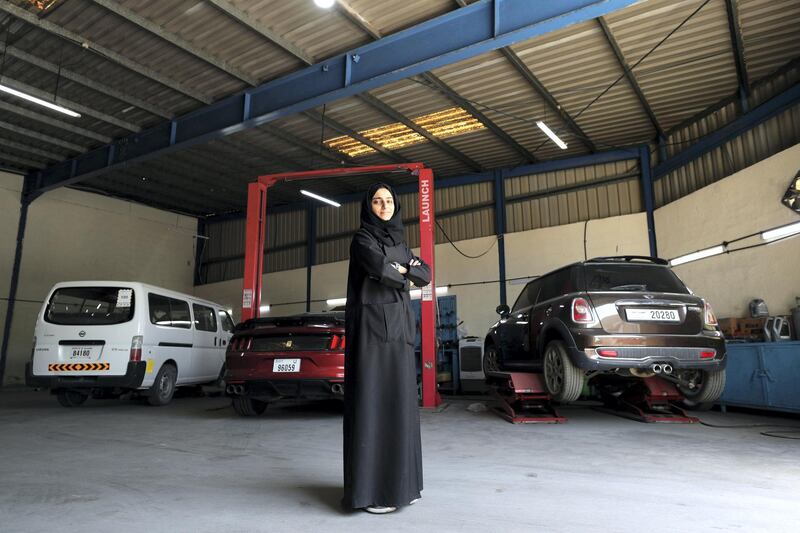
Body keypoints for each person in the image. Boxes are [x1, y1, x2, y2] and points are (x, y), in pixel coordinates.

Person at [342, 183, 431, 514]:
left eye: (389, 200)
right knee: (374, 404)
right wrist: (403, 270)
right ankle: (374, 492)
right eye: (377, 201)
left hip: (399, 333)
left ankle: (401, 488)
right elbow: (381, 270)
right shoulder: (363, 239)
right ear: (368, 206)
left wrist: (404, 269)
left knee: (400, 406)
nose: (384, 206)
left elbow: (425, 274)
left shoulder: (400, 243)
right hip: (371, 334)